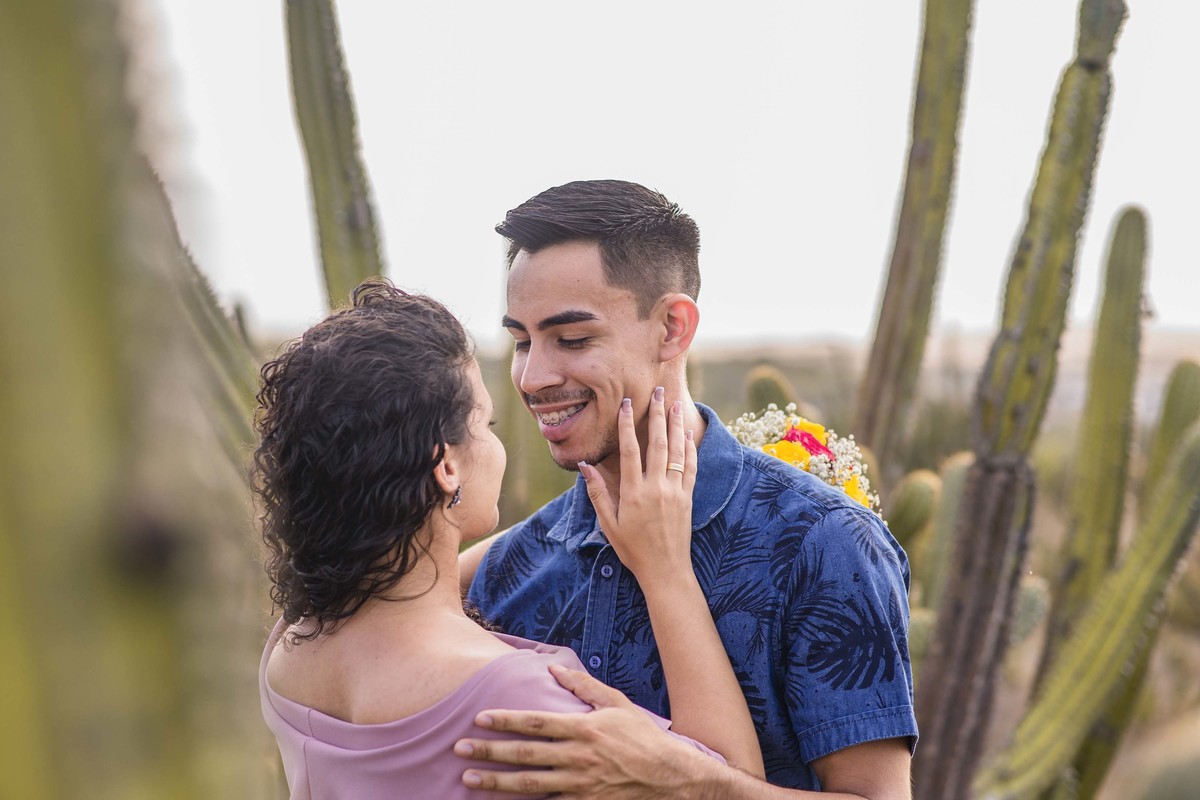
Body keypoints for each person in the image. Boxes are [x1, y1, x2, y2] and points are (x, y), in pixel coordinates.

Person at [459, 179, 918, 797]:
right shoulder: (509, 570)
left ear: (673, 328)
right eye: (521, 341)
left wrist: (687, 780)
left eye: (572, 339)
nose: (535, 376)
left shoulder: (826, 543)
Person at [252, 279, 764, 799]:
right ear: (445, 464)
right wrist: (665, 570)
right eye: (486, 423)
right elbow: (725, 777)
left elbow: (416, 574)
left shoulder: (295, 646)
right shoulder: (518, 701)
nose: (498, 444)